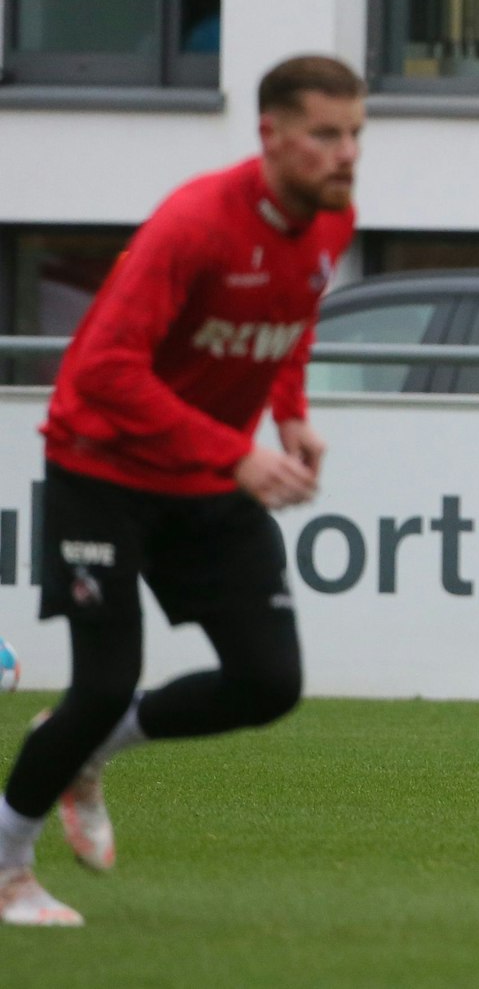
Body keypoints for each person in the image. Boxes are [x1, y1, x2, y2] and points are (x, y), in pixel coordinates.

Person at [0, 56, 364, 928]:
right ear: (270, 134)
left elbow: (295, 314)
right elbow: (102, 371)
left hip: (201, 473)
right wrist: (235, 455)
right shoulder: (195, 223)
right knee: (102, 679)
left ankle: (92, 749)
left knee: (268, 680)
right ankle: (8, 864)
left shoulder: (332, 219)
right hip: (102, 465)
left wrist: (290, 412)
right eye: (325, 133)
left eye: (355, 132)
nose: (346, 152)